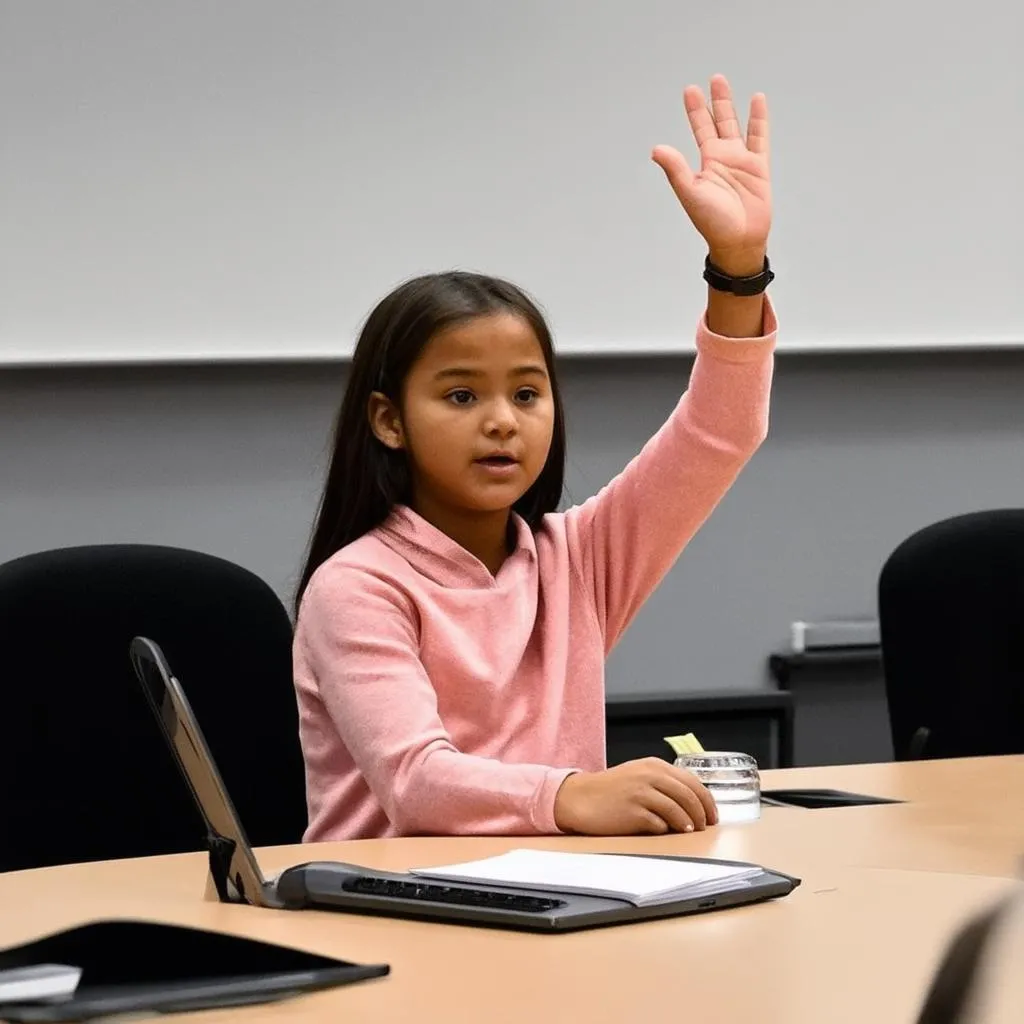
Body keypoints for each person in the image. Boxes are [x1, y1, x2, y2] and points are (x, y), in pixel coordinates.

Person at [293, 74, 777, 842]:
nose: (501, 424)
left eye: (526, 395)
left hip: (556, 903)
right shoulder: (356, 586)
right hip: (390, 914)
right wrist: (571, 796)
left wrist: (739, 264)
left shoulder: (575, 560)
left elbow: (720, 433)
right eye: (460, 397)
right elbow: (417, 782)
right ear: (387, 420)